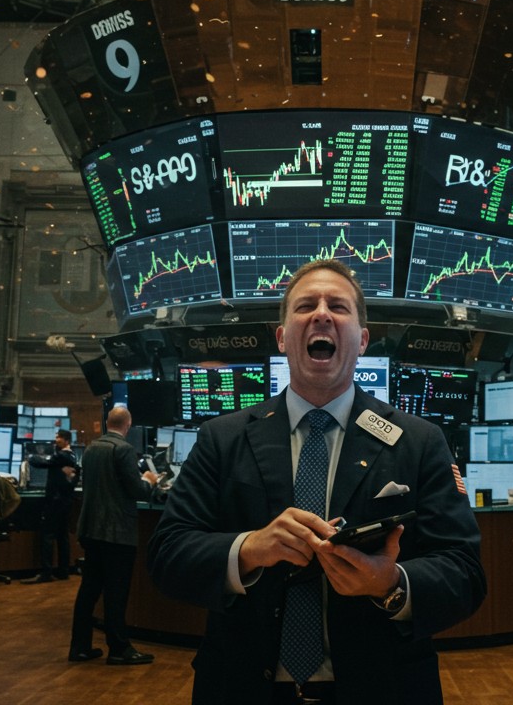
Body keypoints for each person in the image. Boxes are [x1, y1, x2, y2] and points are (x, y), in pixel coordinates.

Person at [147, 259, 485, 705]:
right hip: (242, 688)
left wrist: (391, 583)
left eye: (338, 307)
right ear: (282, 337)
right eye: (305, 306)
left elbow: (465, 573)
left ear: (362, 340)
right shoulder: (221, 438)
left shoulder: (419, 441)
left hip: (384, 688)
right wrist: (248, 550)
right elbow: (168, 555)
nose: (322, 314)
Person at [69, 406, 159, 664]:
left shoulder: (91, 449)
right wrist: (149, 480)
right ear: (128, 425)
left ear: (107, 423)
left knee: (89, 590)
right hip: (116, 532)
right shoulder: (124, 449)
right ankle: (119, 649)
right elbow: (137, 491)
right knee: (116, 592)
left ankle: (80, 647)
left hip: (91, 529)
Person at [25, 428, 79, 583]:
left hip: (55, 501)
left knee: (47, 535)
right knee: (62, 536)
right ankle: (63, 571)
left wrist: (30, 457)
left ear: (66, 440)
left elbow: (42, 463)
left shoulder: (61, 456)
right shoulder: (72, 455)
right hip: (65, 501)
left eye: (59, 437)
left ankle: (46, 572)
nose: (56, 440)